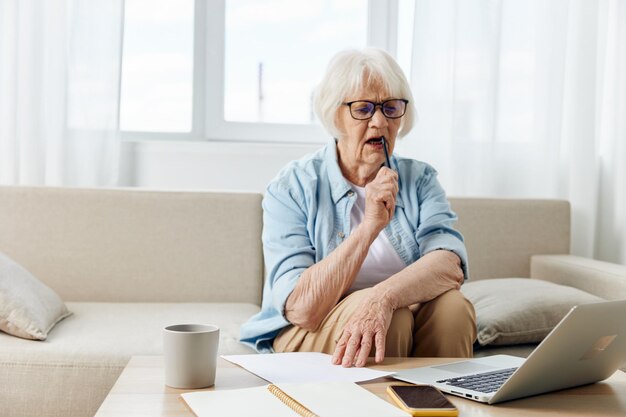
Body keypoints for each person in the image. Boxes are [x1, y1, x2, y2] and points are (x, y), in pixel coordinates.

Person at [240, 48, 476, 368]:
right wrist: (369, 227)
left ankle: (443, 408)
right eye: (363, 108)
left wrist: (384, 297)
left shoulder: (419, 179)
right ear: (334, 115)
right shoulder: (292, 187)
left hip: (395, 310)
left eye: (391, 107)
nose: (379, 121)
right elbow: (301, 308)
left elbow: (449, 264)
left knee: (452, 310)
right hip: (312, 327)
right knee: (394, 320)